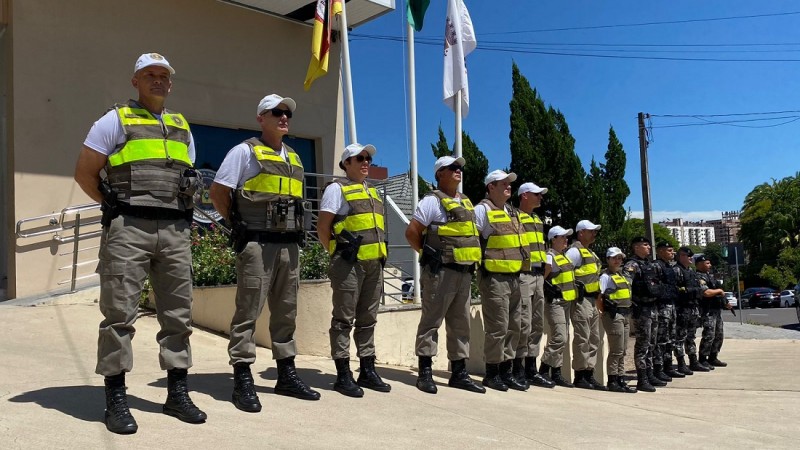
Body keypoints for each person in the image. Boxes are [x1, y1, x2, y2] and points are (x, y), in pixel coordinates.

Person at [74, 53, 206, 434]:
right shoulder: (115, 120)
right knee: (119, 315)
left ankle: (176, 393)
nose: (158, 81)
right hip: (129, 227)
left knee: (179, 314)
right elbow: (85, 171)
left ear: (171, 83)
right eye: (150, 74)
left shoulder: (182, 127)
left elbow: (188, 174)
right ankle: (116, 398)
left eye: (164, 76)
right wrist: (111, 204)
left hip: (175, 231)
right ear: (135, 81)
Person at [210, 93, 319, 413]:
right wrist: (237, 225)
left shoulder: (295, 158)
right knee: (248, 310)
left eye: (287, 113)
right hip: (257, 243)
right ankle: (242, 376)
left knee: (287, 311)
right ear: (261, 118)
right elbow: (218, 192)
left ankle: (286, 373)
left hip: (289, 244)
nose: (284, 117)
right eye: (276, 112)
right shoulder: (244, 152)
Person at [404, 156, 485, 395]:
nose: (458, 171)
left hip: (464, 272)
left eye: (459, 167)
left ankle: (459, 373)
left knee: (461, 324)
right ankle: (425, 372)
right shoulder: (432, 201)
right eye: (452, 168)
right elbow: (411, 232)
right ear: (440, 174)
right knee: (431, 322)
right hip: (440, 272)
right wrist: (428, 254)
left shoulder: (467, 202)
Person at [317, 143, 391, 398]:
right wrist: (337, 253)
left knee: (368, 319)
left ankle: (367, 369)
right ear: (345, 164)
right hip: (349, 264)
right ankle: (343, 373)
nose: (365, 162)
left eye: (368, 158)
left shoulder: (374, 193)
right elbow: (323, 227)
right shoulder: (337, 189)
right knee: (343, 319)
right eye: (359, 158)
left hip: (374, 264)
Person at [474, 170, 528, 391]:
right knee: (498, 326)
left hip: (515, 277)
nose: (508, 186)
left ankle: (506, 371)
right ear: (490, 187)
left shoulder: (512, 212)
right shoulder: (482, 210)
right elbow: (473, 240)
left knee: (515, 326)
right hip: (494, 278)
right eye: (502, 183)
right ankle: (492, 372)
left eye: (509, 183)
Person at [514, 183, 555, 389]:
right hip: (523, 274)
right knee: (523, 322)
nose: (541, 198)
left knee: (537, 323)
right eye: (537, 194)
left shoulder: (538, 219)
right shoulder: (515, 216)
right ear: (524, 196)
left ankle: (531, 368)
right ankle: (518, 368)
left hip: (539, 275)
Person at [565, 220, 607, 391]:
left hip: (592, 300)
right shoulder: (574, 252)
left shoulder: (589, 252)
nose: (594, 234)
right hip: (581, 300)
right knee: (583, 337)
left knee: (593, 338)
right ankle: (580, 375)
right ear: (581, 232)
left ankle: (589, 373)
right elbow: (565, 272)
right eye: (591, 231)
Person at [623, 236, 666, 393]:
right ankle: (642, 379)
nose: (649, 247)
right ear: (636, 247)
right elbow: (626, 285)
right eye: (645, 245)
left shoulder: (648, 265)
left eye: (649, 245)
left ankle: (649, 373)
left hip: (653, 307)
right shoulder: (632, 265)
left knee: (652, 343)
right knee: (643, 344)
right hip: (641, 309)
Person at [539, 226, 577, 388]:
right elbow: (543, 277)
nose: (566, 240)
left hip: (566, 302)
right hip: (555, 302)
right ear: (554, 239)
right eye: (563, 237)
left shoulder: (563, 256)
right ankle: (543, 370)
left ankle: (556, 372)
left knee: (563, 337)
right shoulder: (549, 256)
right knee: (559, 337)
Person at [599, 247, 636, 393]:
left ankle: (620, 378)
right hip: (614, 316)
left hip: (625, 315)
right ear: (607, 259)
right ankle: (613, 380)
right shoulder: (605, 276)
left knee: (623, 350)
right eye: (614, 258)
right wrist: (604, 311)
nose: (617, 261)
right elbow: (599, 296)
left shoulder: (621, 275)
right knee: (616, 351)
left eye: (620, 258)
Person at [673, 246, 706, 374]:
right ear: (681, 257)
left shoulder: (691, 272)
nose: (691, 258)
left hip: (693, 307)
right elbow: (676, 290)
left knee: (691, 336)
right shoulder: (676, 270)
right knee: (680, 337)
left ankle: (693, 361)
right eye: (688, 256)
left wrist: (693, 291)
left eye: (691, 256)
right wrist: (689, 291)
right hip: (682, 308)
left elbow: (700, 288)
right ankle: (681, 363)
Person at [654, 242, 684, 381]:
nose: (673, 253)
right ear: (660, 251)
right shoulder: (656, 266)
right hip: (662, 308)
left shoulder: (669, 267)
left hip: (671, 307)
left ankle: (668, 367)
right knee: (661, 340)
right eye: (669, 250)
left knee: (670, 339)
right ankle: (659, 368)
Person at [695, 255, 731, 370]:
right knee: (709, 335)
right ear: (699, 264)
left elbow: (717, 292)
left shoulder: (709, 276)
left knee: (718, 335)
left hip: (716, 310)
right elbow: (706, 293)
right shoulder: (698, 277)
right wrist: (719, 291)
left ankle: (713, 356)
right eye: (707, 263)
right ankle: (702, 358)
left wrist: (725, 302)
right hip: (707, 310)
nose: (709, 265)